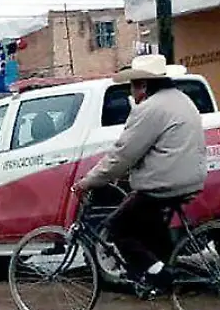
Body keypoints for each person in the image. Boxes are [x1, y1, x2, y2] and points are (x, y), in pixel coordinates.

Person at [72, 54, 205, 290]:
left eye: (132, 85)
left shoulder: (150, 109)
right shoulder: (182, 99)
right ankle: (158, 272)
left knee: (117, 229)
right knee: (149, 230)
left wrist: (88, 182)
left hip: (163, 184)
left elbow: (122, 155)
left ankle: (160, 276)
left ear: (143, 85)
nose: (131, 92)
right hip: (190, 179)